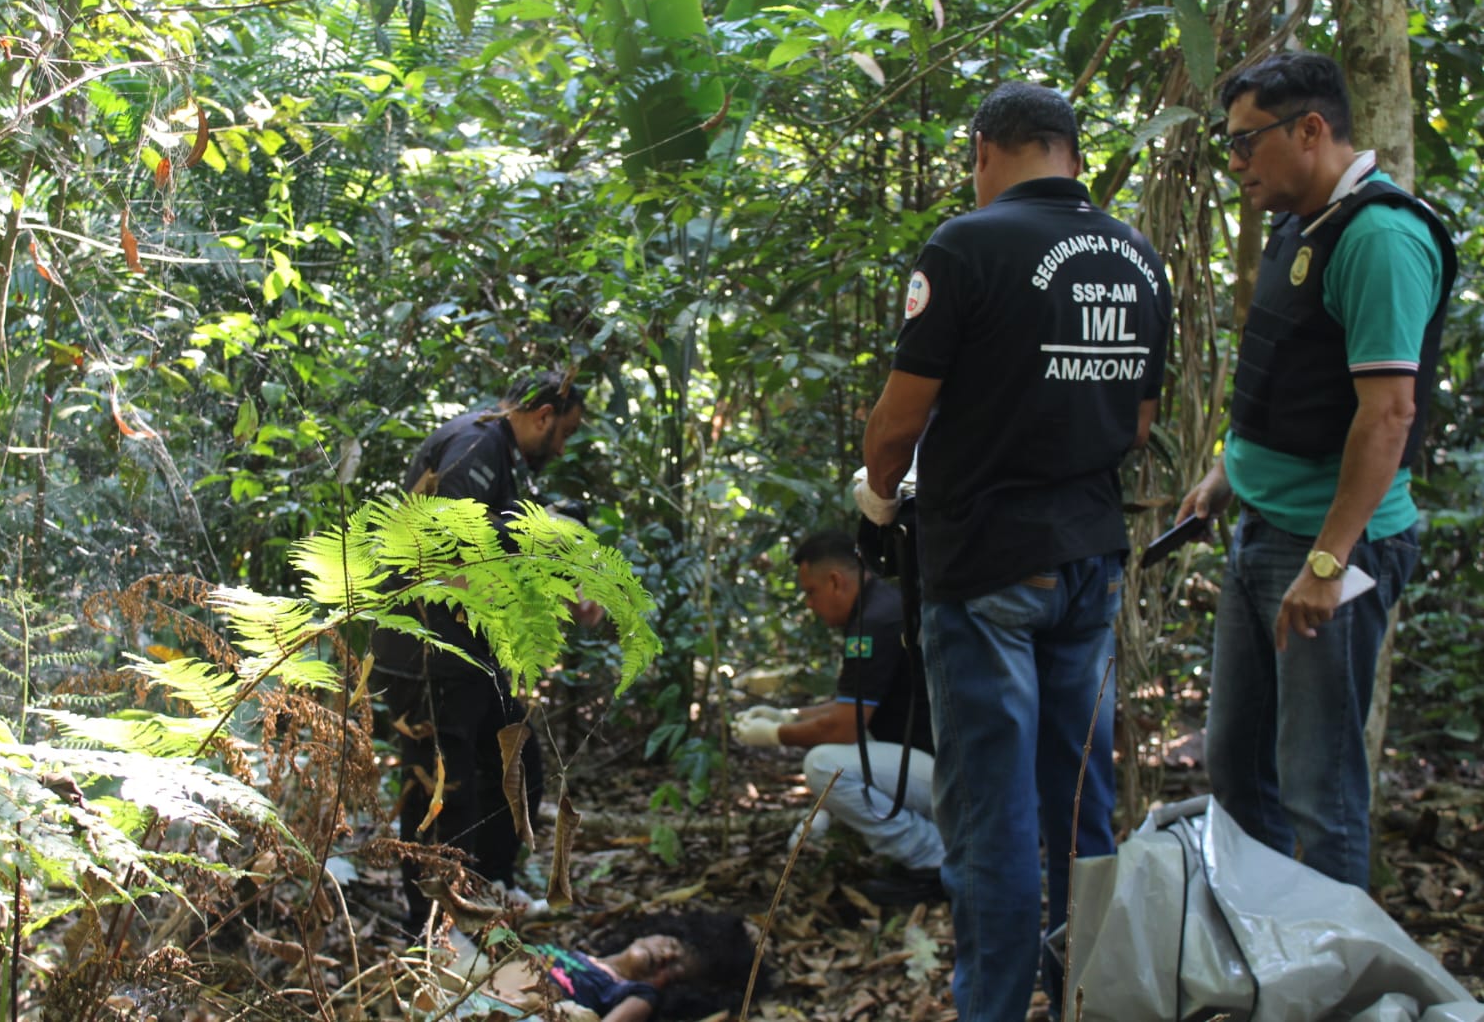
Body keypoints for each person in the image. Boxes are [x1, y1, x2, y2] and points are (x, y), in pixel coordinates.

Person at [855, 81, 1171, 1019]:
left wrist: (877, 497)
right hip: (1089, 562)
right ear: (1070, 152)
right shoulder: (1138, 258)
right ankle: (1087, 993)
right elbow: (1139, 419)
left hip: (988, 564)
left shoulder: (966, 244)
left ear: (985, 149)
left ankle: (991, 1007)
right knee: (1080, 802)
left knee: (990, 816)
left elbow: (895, 428)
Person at [1176, 52, 1455, 889]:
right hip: (1262, 532)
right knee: (1235, 768)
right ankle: (1269, 958)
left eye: (1244, 143)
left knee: (1315, 792)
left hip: (1326, 552)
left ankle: (1334, 990)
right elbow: (1289, 370)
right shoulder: (1305, 222)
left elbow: (1388, 414)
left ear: (1309, 129)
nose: (1234, 163)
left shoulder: (1379, 237)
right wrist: (1229, 470)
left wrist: (1329, 561)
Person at [373, 370, 596, 928]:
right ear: (543, 416)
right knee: (444, 790)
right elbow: (444, 551)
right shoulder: (478, 443)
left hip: (466, 650)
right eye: (563, 432)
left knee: (516, 763)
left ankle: (489, 890)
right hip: (428, 647)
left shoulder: (499, 451)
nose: (563, 446)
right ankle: (434, 931)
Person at [731, 529, 943, 906]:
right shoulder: (884, 606)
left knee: (823, 764)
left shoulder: (875, 621)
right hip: (928, 757)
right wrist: (789, 713)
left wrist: (776, 734)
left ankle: (932, 859)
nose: (809, 604)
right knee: (828, 748)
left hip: (943, 772)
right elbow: (854, 705)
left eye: (811, 592)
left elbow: (845, 727)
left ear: (835, 581)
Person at [451, 909, 759, 1022]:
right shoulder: (583, 957)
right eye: (672, 946)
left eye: (676, 968)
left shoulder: (637, 994)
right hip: (463, 990)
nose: (665, 956)